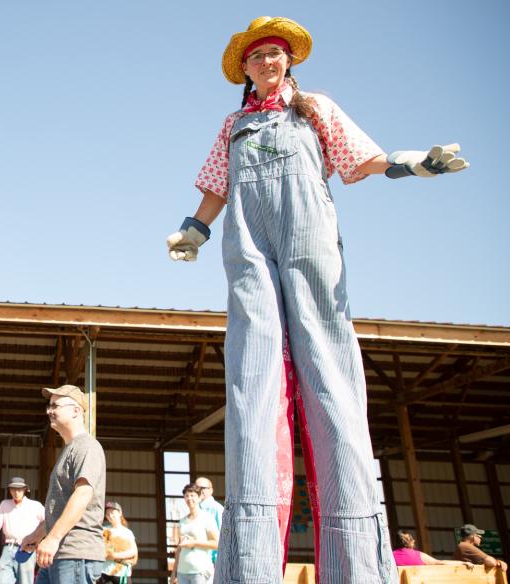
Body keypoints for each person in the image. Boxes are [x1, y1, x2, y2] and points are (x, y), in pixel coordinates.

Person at [165, 16, 468, 584]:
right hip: (248, 246)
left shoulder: (315, 109)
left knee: (328, 367)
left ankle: (354, 566)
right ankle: (250, 568)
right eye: (256, 57)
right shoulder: (233, 125)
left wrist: (413, 163)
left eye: (274, 54)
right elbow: (214, 187)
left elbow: (359, 159)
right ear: (245, 69)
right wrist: (195, 231)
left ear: (289, 61)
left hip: (309, 240)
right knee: (252, 375)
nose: (266, 62)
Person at [23, 384, 106, 584]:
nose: (49, 411)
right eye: (49, 406)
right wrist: (37, 534)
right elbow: (62, 506)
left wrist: (51, 539)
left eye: (55, 405)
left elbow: (83, 495)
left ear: (76, 411)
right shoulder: (69, 450)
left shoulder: (87, 446)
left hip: (74, 553)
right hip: (56, 554)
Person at [0, 477, 46, 584]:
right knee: (2, 575)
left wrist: (41, 541)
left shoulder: (35, 506)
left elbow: (48, 522)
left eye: (19, 489)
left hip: (27, 548)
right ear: (9, 490)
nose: (16, 492)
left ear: (25, 490)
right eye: (13, 489)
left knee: (25, 581)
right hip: (8, 548)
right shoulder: (4, 504)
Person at [171, 485, 218, 584]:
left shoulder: (206, 518)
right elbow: (179, 549)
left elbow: (217, 543)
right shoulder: (182, 521)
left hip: (200, 570)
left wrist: (194, 543)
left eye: (192, 495)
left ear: (199, 497)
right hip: (182, 571)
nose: (189, 498)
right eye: (186, 496)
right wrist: (174, 572)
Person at [97, 501, 137, 584]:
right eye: (107, 514)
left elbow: (133, 552)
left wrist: (114, 556)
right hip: (104, 572)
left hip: (121, 573)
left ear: (120, 513)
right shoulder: (103, 530)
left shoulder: (127, 532)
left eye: (112, 512)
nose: (110, 515)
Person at [391, 530, 471, 568]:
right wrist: (462, 563)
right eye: (412, 539)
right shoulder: (418, 555)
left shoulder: (391, 556)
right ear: (409, 542)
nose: (414, 540)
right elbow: (440, 563)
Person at [193, 476, 223, 574]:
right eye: (196, 488)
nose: (199, 491)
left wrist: (216, 561)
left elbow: (222, 536)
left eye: (202, 488)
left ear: (211, 490)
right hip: (196, 561)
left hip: (213, 562)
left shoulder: (216, 509)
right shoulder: (195, 509)